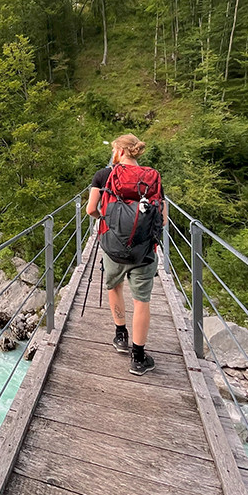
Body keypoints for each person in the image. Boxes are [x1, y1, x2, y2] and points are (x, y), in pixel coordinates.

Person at [86, 134, 166, 376]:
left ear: (119, 152)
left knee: (115, 287)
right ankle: (138, 358)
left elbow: (91, 209)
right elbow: (161, 217)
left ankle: (120, 336)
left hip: (113, 246)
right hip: (144, 250)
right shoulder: (152, 177)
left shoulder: (104, 175)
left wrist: (109, 220)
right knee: (142, 300)